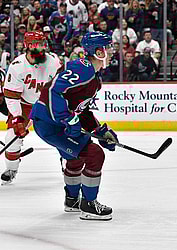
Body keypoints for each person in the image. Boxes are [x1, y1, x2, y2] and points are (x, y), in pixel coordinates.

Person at [29, 32, 116, 221]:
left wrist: (100, 130)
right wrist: (69, 120)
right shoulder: (82, 68)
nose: (112, 51)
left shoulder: (93, 78)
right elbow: (53, 92)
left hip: (54, 123)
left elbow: (80, 110)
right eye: (108, 47)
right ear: (99, 51)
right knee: (94, 154)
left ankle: (72, 200)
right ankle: (89, 205)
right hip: (49, 124)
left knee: (74, 156)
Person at [1, 31, 62, 185]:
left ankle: (68, 163)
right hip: (25, 105)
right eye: (37, 44)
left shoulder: (53, 62)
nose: (42, 48)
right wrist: (17, 118)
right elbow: (11, 96)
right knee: (12, 137)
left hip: (48, 104)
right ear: (28, 46)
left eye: (43, 44)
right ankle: (12, 168)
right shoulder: (17, 66)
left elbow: (61, 88)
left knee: (63, 134)